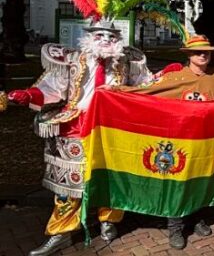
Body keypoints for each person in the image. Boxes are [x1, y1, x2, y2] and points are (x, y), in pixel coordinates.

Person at [8, 20, 152, 256]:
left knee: (113, 177)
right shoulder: (73, 60)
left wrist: (168, 80)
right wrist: (28, 95)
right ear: (88, 37)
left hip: (113, 127)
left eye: (112, 36)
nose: (106, 40)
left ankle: (109, 220)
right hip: (77, 125)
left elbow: (146, 87)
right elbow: (51, 87)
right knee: (68, 184)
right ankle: (61, 232)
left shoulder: (128, 62)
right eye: (100, 35)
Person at [116, 34, 214, 249]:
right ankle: (176, 226)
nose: (203, 54)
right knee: (177, 183)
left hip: (206, 144)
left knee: (200, 180)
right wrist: (117, 91)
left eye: (206, 51)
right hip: (180, 142)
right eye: (198, 51)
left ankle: (195, 217)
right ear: (189, 55)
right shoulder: (175, 77)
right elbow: (147, 92)